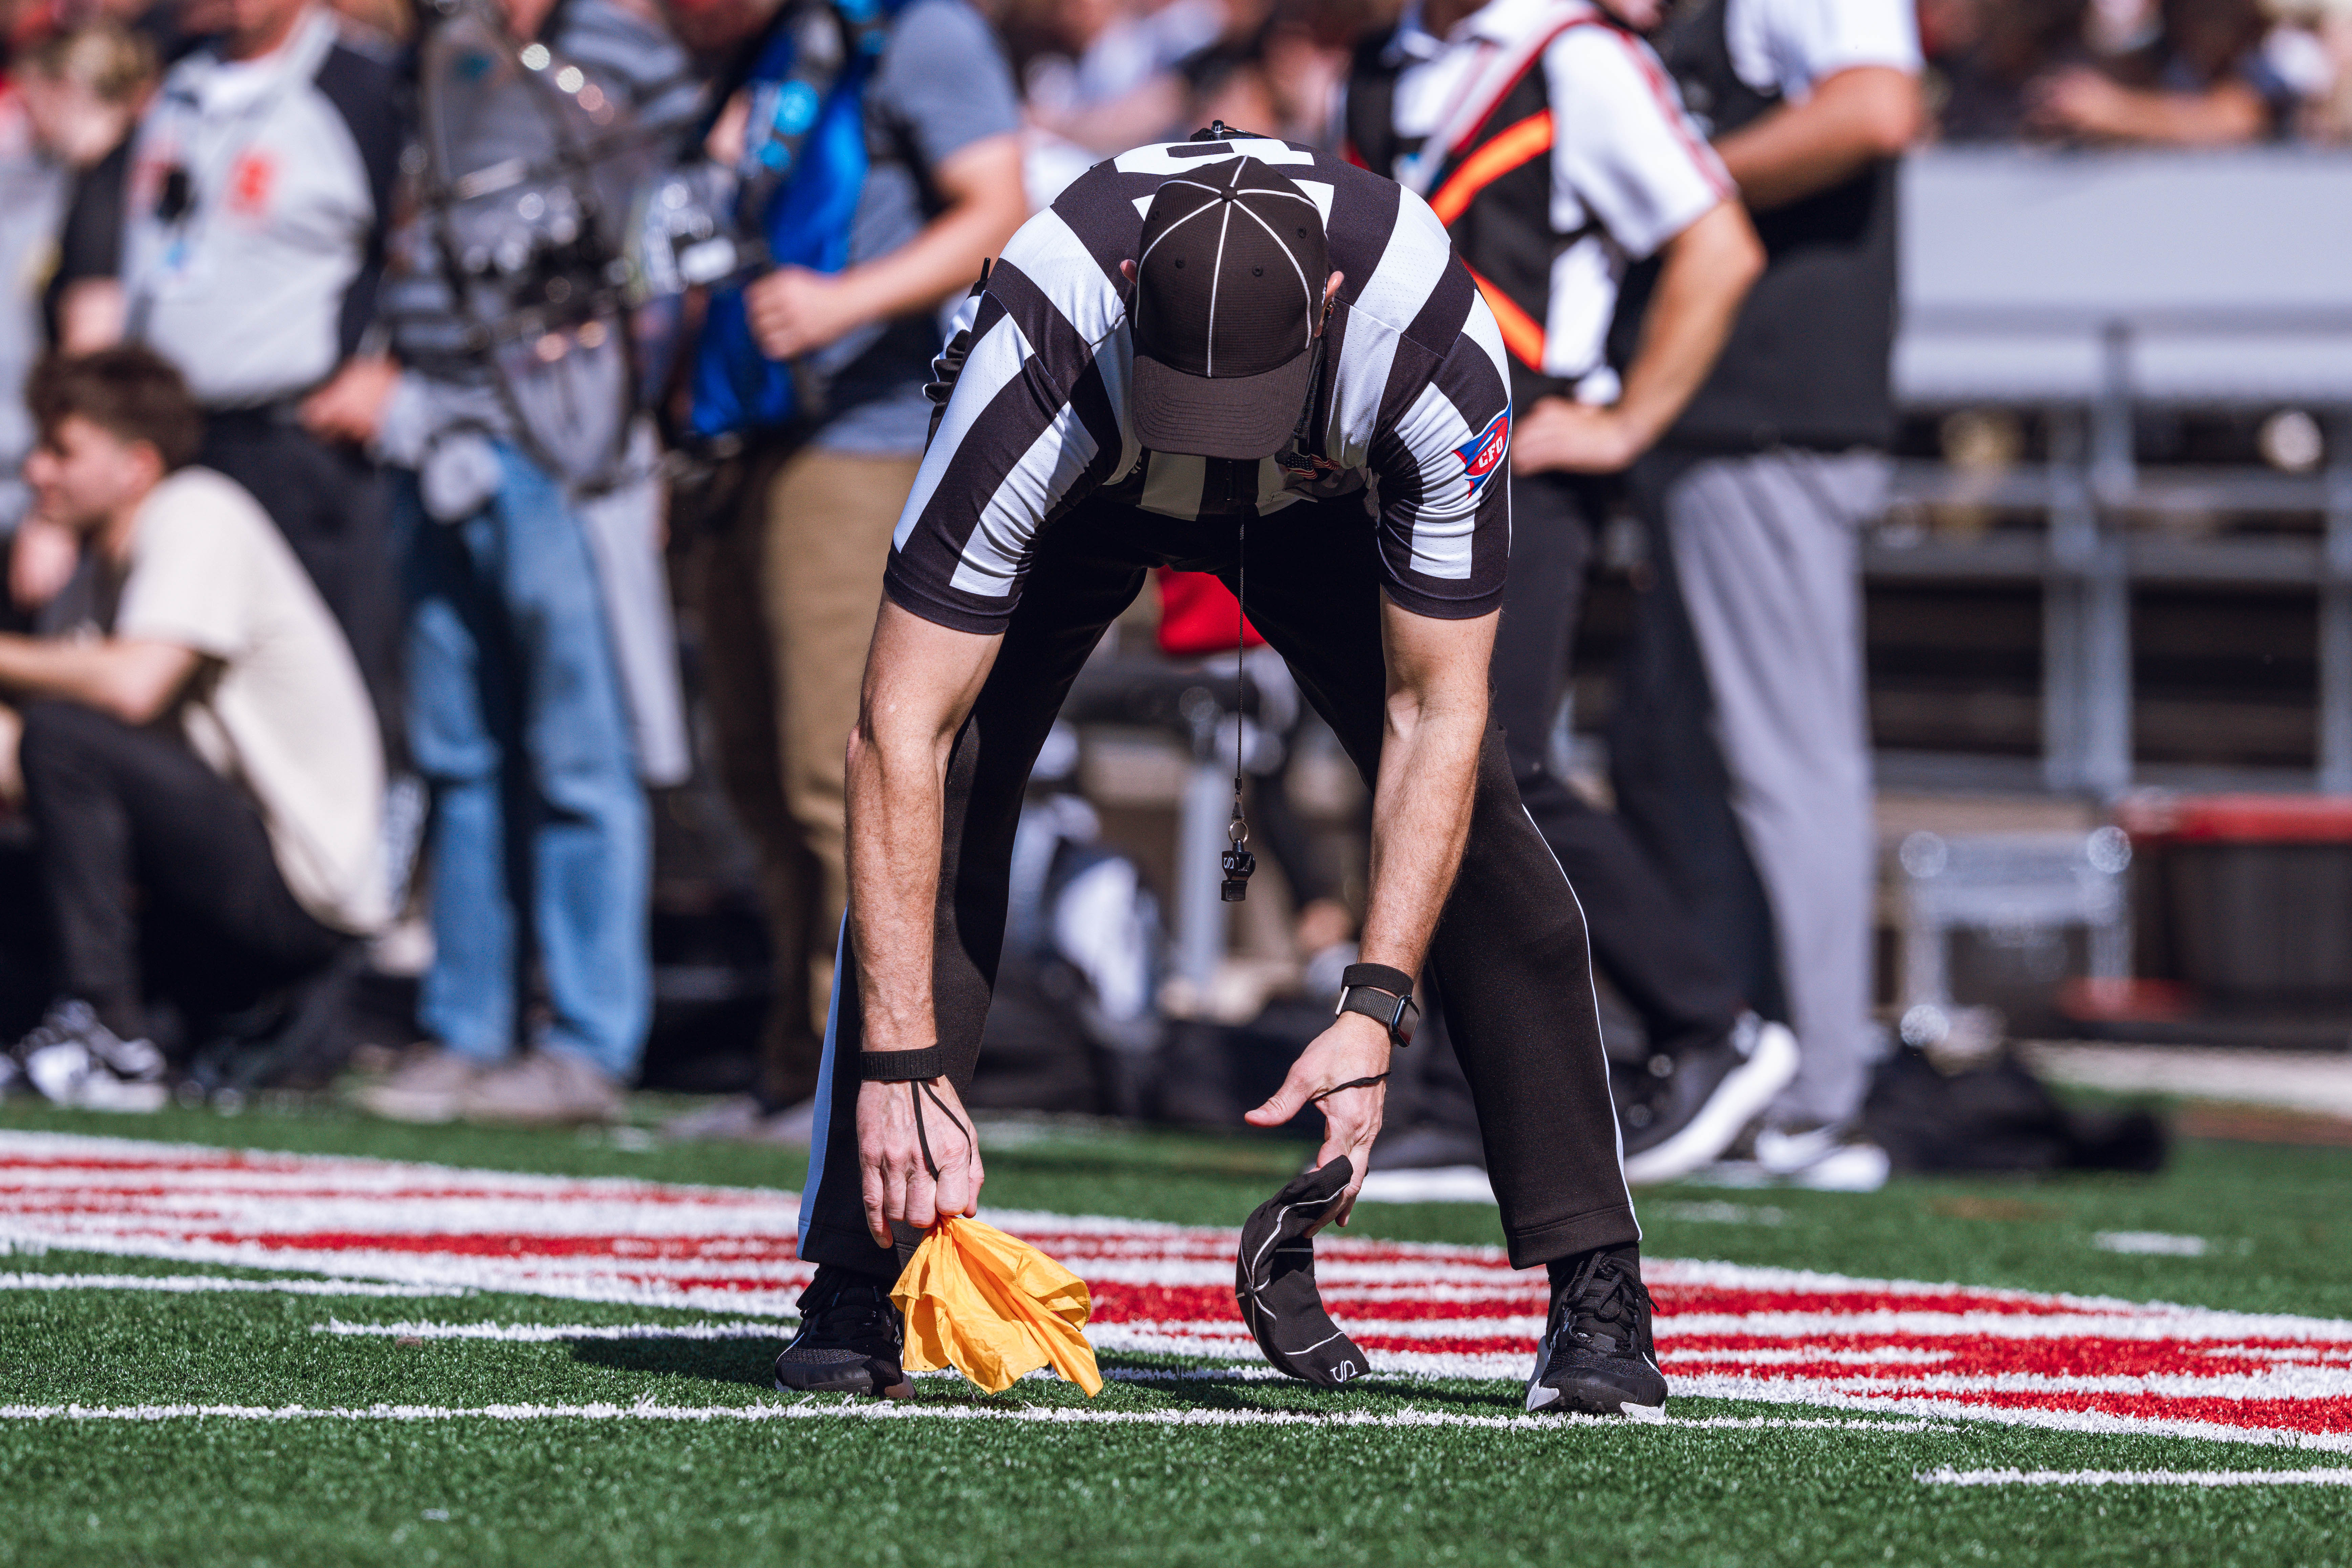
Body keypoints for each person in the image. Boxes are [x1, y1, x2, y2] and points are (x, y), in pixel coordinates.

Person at [775, 130, 1665, 1419]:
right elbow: (892, 729)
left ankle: (1597, 1280)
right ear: (1128, 290)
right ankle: (859, 1269)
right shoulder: (1038, 338)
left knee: (1485, 818)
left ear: (1330, 311)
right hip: (1094, 472)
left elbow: (1435, 713)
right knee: (951, 784)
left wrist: (1373, 1008)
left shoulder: (1427, 345)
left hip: (1321, 493)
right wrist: (900, 1065)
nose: (1221, 439)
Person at [1345, 0, 1796, 1185]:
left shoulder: (1574, 56)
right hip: (1397, 460)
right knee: (1416, 757)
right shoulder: (1388, 61)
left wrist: (1625, 421)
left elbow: (1716, 240)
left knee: (1488, 757)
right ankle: (1453, 1080)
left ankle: (1711, 1025)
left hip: (1519, 456)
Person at [664, 0, 1027, 1143]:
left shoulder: (921, 32)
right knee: (758, 777)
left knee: (838, 775)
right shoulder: (776, 45)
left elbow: (1001, 211)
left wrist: (844, 302)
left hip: (859, 442)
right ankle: (790, 1063)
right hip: (751, 442)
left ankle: (853, 1072)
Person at [347, 0, 700, 1126]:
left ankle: (588, 1041)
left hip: (558, 448)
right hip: (427, 428)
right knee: (457, 750)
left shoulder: (619, 51)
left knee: (576, 753)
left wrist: (633, 408)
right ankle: (469, 1024)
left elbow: (682, 219)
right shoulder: (431, 52)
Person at [1605, 0, 1920, 1186]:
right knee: (1666, 751)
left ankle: (1814, 1093)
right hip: (1712, 416)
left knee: (1779, 754)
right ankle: (1732, 1060)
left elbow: (1872, 106)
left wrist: (1661, 182)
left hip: (1771, 414)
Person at [0, 347, 385, 1107]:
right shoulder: (91, 578)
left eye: (61, 450)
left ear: (137, 465)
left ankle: (111, 1036)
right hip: (205, 880)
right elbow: (30, 775)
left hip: (300, 893)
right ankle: (77, 1031)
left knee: (63, 735)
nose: (36, 471)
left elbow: (131, 690)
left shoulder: (198, 511)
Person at [112, 0, 404, 733]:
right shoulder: (174, 83)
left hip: (295, 442)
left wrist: (393, 361)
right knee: (187, 702)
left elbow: (423, 238)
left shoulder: (366, 89)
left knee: (325, 691)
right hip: (172, 443)